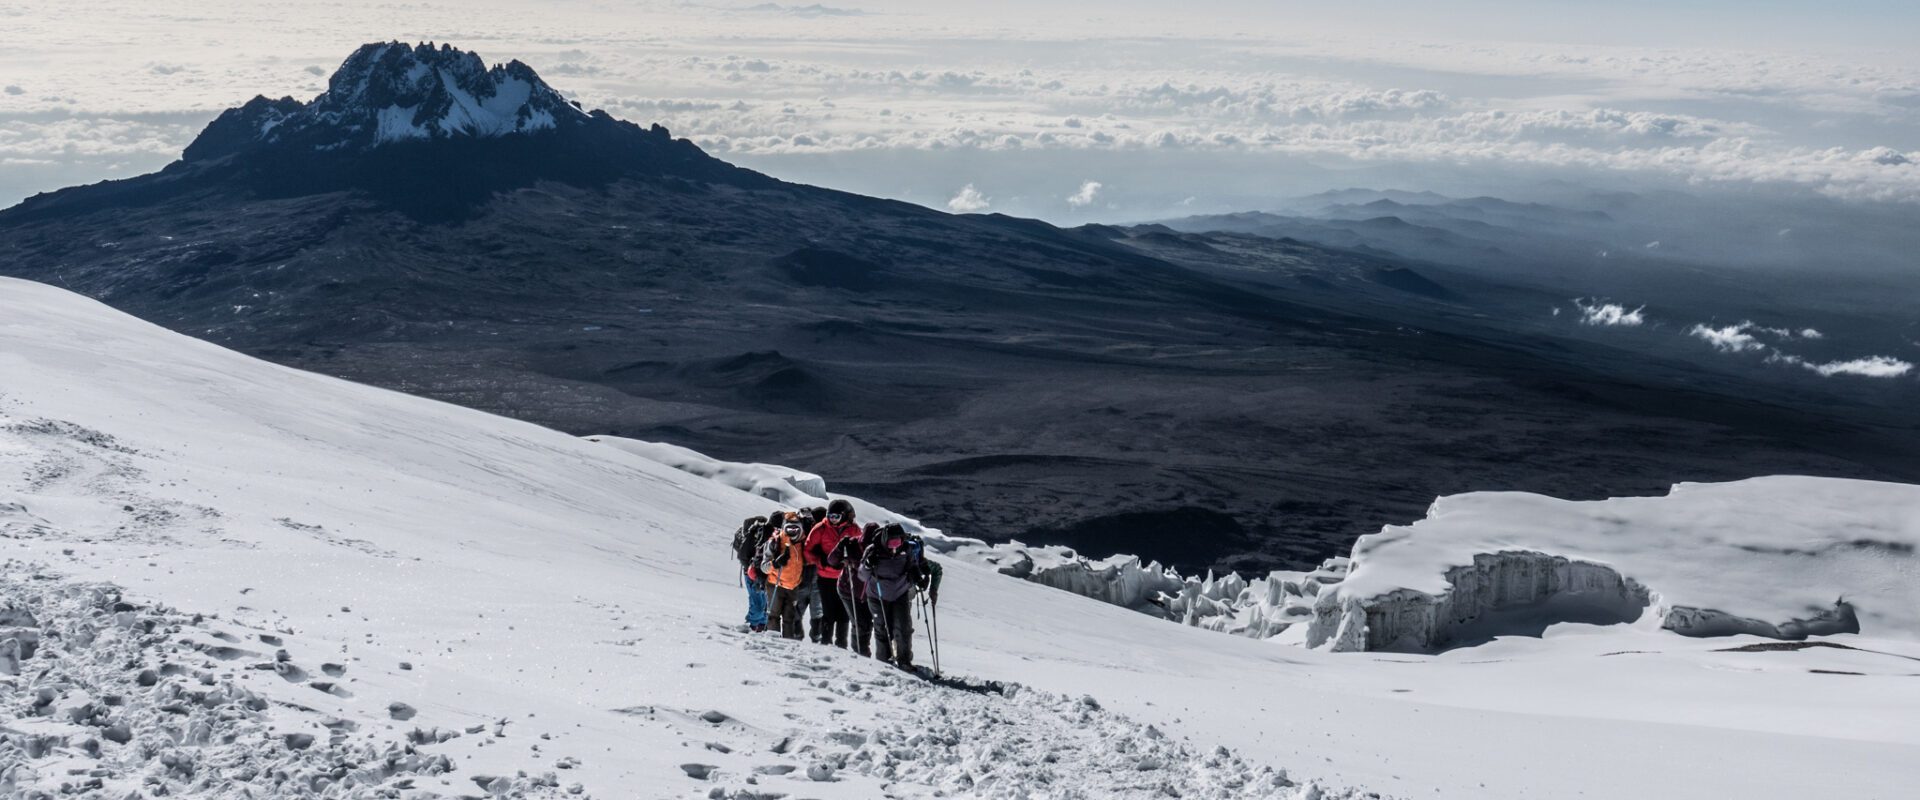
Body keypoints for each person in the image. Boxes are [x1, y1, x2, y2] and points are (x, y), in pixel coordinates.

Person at [862, 523, 927, 669]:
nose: (894, 547)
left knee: (903, 627)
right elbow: (862, 575)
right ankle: (884, 663)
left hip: (900, 593)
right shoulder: (873, 551)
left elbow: (912, 566)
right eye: (891, 542)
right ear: (885, 540)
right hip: (877, 595)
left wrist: (918, 578)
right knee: (883, 628)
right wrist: (867, 564)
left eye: (898, 542)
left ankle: (904, 661)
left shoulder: (906, 549)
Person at [805, 499, 860, 648]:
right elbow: (807, 550)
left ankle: (841, 643)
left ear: (844, 516)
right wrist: (820, 561)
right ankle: (826, 642)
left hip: (845, 578)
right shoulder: (820, 528)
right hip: (826, 577)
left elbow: (861, 549)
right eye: (830, 516)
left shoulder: (853, 529)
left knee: (844, 613)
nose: (832, 520)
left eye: (836, 517)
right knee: (828, 611)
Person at [764, 514, 809, 640]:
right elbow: (764, 567)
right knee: (773, 616)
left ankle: (788, 645)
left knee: (790, 619)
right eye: (789, 529)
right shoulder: (775, 542)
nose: (792, 532)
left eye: (795, 529)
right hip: (775, 584)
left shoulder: (804, 543)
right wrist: (775, 563)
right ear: (784, 528)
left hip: (793, 586)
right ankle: (773, 643)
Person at [731, 516, 770, 632]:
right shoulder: (757, 538)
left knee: (760, 600)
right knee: (759, 601)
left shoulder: (756, 537)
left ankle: (759, 625)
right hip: (753, 574)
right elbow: (743, 556)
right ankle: (752, 626)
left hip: (756, 573)